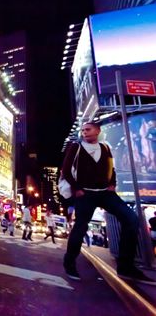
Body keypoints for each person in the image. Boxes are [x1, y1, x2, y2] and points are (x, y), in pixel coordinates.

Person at [62, 122, 156, 285]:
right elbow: (66, 170)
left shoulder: (105, 148)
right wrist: (77, 188)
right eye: (83, 130)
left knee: (131, 219)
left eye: (88, 129)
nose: (84, 132)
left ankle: (126, 267)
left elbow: (111, 168)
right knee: (81, 226)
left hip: (105, 193)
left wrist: (112, 184)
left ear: (98, 131)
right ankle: (69, 263)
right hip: (85, 193)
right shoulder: (75, 147)